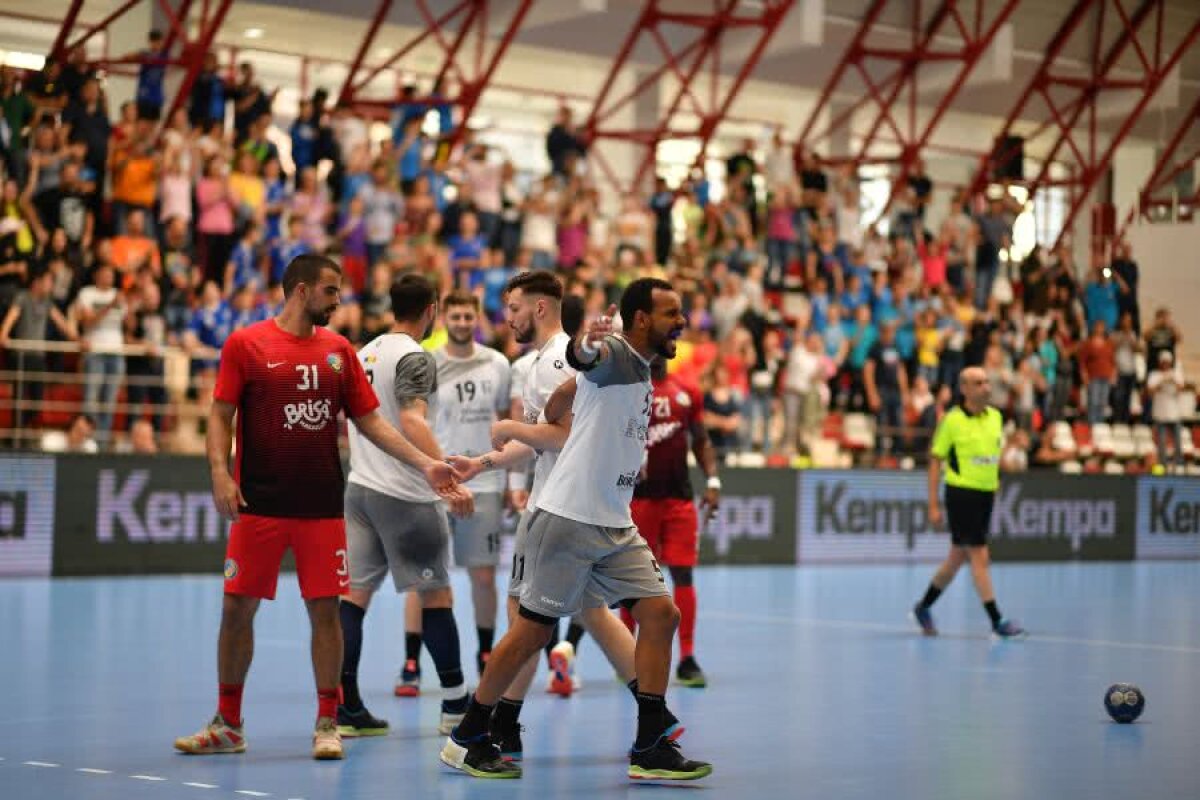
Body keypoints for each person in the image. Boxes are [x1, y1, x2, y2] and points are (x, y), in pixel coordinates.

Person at [173, 255, 468, 761]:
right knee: (236, 608)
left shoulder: (339, 351)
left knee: (326, 612)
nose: (338, 301)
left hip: (322, 507)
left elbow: (372, 422)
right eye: (331, 291)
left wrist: (427, 465)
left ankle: (328, 722)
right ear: (301, 290)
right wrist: (220, 473)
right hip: (258, 504)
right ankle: (227, 723)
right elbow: (220, 415)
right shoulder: (246, 344)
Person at [441, 278, 713, 782]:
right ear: (640, 319)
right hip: (568, 518)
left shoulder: (639, 365)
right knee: (532, 632)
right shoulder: (616, 354)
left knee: (660, 613)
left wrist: (554, 405)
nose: (682, 321)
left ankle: (650, 743)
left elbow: (566, 395)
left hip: (613, 520)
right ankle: (470, 735)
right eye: (672, 312)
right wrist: (586, 344)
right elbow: (586, 357)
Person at [442, 273, 640, 761]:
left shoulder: (553, 362)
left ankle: (496, 725)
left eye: (513, 308)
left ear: (540, 308)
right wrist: (482, 463)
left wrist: (511, 427)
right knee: (592, 615)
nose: (507, 318)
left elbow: (562, 437)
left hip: (557, 509)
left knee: (525, 621)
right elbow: (537, 442)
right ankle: (656, 715)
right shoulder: (545, 361)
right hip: (576, 506)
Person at [338, 274, 476, 740]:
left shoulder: (364, 353)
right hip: (405, 496)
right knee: (436, 596)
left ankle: (347, 705)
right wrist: (445, 474)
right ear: (432, 310)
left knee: (353, 597)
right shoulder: (415, 356)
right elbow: (413, 421)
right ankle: (455, 705)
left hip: (360, 488)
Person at [620, 356, 720, 688]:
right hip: (638, 500)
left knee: (683, 573)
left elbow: (701, 440)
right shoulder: (626, 388)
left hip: (679, 499)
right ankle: (627, 655)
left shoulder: (687, 390)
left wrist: (713, 481)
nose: (671, 340)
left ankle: (687, 658)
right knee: (633, 580)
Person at [912, 366, 1026, 639]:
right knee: (979, 555)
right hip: (961, 494)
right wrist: (933, 504)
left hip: (985, 496)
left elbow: (993, 455)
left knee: (956, 558)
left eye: (987, 382)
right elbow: (935, 461)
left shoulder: (996, 417)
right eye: (978, 383)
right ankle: (997, 621)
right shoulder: (951, 420)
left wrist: (1007, 460)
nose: (986, 387)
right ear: (964, 389)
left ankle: (923, 606)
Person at [431, 292, 511, 676]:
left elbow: (508, 424)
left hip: (484, 480)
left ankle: (485, 653)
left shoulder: (497, 363)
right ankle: (412, 662)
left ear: (477, 318)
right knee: (427, 576)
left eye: (468, 316)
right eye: (456, 316)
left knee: (483, 574)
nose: (462, 323)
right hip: (437, 482)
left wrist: (511, 478)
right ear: (443, 318)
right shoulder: (428, 364)